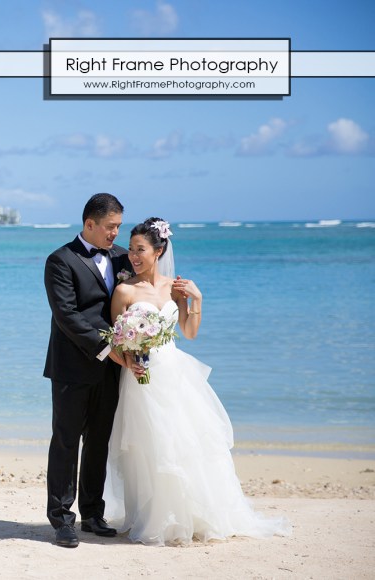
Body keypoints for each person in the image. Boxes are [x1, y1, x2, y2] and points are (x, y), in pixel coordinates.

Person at [105, 217, 291, 546]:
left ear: (159, 251)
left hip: (174, 373)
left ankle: (191, 516)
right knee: (147, 446)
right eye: (131, 249)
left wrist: (196, 300)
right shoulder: (124, 290)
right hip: (139, 379)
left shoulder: (175, 288)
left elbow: (189, 333)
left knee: (183, 442)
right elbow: (116, 341)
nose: (133, 255)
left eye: (140, 249)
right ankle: (154, 517)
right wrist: (131, 360)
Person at [43, 193, 133, 548]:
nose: (115, 234)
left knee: (99, 442)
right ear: (89, 224)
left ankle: (93, 513)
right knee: (65, 442)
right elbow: (67, 315)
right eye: (110, 227)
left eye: (118, 227)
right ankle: (62, 520)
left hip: (113, 370)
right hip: (72, 367)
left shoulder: (122, 257)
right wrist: (107, 348)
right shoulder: (60, 260)